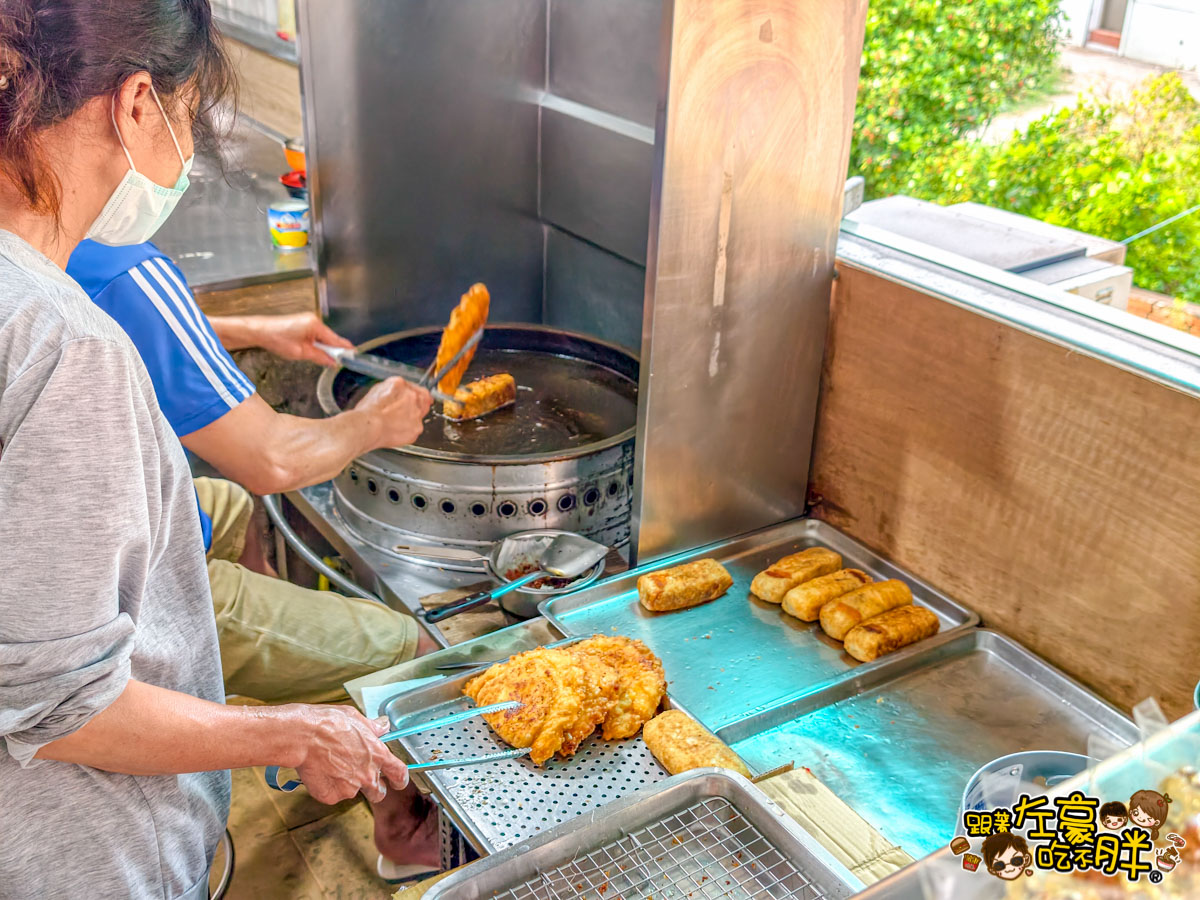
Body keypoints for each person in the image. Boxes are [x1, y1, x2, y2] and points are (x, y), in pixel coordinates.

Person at [0, 3, 408, 896]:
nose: (184, 151)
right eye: (188, 117)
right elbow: (61, 704)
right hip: (77, 856)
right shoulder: (66, 346)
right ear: (135, 103)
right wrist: (290, 734)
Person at [67, 240, 443, 876]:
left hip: (130, 521)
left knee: (232, 506)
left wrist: (252, 329)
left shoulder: (38, 242)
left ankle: (261, 670)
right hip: (130, 581)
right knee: (414, 651)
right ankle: (402, 832)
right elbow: (273, 459)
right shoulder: (117, 260)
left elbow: (120, 319)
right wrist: (372, 423)